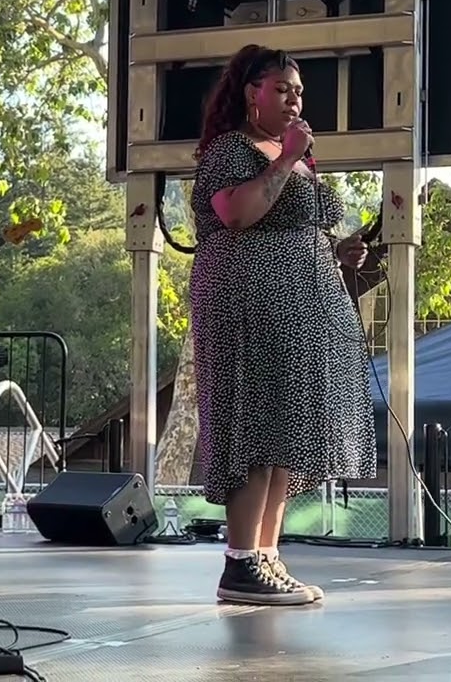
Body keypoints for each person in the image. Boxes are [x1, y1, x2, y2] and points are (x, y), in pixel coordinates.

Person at [189, 44, 374, 606]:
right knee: (256, 427)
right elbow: (236, 213)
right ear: (252, 93)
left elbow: (286, 226)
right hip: (250, 305)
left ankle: (266, 556)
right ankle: (240, 562)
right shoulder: (231, 149)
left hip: (300, 308)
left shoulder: (288, 154)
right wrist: (287, 159)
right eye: (282, 89)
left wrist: (334, 252)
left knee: (284, 435)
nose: (295, 99)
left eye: (299, 91)